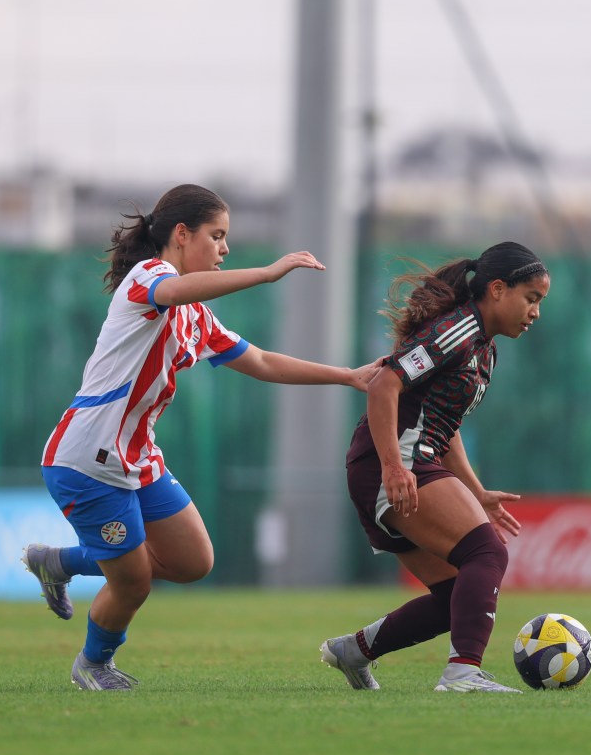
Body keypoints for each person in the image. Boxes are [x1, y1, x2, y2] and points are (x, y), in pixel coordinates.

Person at [22, 183, 380, 691]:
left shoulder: (197, 314)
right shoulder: (148, 277)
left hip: (138, 457)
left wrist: (346, 375)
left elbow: (259, 361)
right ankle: (93, 664)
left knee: (193, 562)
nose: (225, 248)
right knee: (133, 582)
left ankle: (57, 562)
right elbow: (172, 291)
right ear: (182, 234)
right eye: (217, 236)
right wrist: (268, 272)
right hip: (87, 458)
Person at [320, 241, 550, 693]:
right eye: (532, 298)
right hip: (396, 462)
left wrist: (477, 491)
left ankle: (353, 650)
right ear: (498, 289)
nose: (535, 312)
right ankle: (462, 673)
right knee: (487, 554)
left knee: (456, 596)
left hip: (400, 462)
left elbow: (444, 423)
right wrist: (392, 467)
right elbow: (384, 384)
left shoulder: (483, 348)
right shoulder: (458, 330)